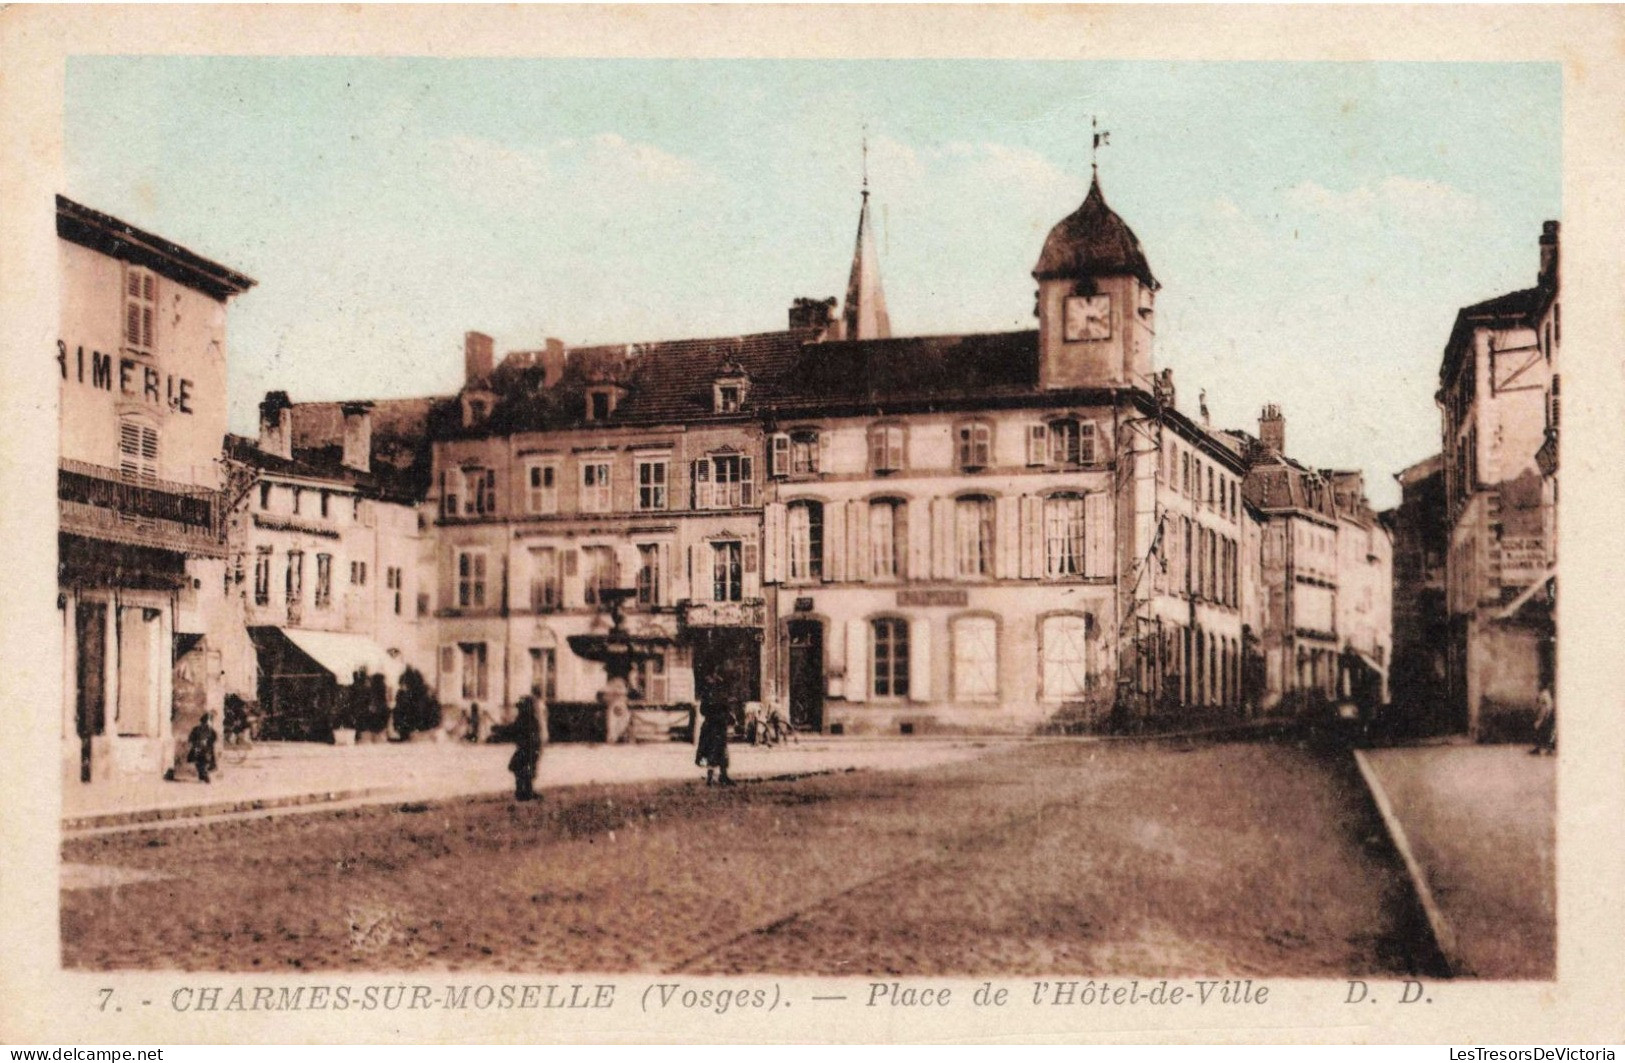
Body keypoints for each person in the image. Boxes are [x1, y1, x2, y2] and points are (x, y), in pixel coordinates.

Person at [509, 693, 543, 801]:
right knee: (522, 770)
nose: (518, 709)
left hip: (528, 750)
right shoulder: (528, 719)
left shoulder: (527, 719)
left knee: (522, 770)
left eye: (520, 707)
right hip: (528, 749)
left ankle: (525, 792)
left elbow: (515, 730)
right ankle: (524, 792)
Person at [695, 698, 734, 786]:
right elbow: (703, 710)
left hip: (719, 727)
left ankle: (723, 776)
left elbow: (727, 709)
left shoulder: (721, 693)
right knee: (711, 752)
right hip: (711, 727)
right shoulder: (708, 693)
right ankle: (711, 777)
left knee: (723, 752)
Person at [185, 710, 218, 783]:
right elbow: (191, 738)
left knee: (202, 763)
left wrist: (208, 743)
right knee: (201, 763)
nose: (208, 723)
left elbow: (214, 738)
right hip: (201, 749)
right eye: (207, 721)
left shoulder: (209, 730)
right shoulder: (201, 729)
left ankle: (203, 776)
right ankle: (203, 776)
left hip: (203, 749)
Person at [1531, 686, 1556, 755]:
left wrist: (1546, 714)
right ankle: (1541, 747)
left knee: (1542, 729)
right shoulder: (1544, 693)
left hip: (1544, 712)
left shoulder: (1545, 693)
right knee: (1539, 729)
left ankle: (1545, 748)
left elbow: (1548, 705)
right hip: (1542, 712)